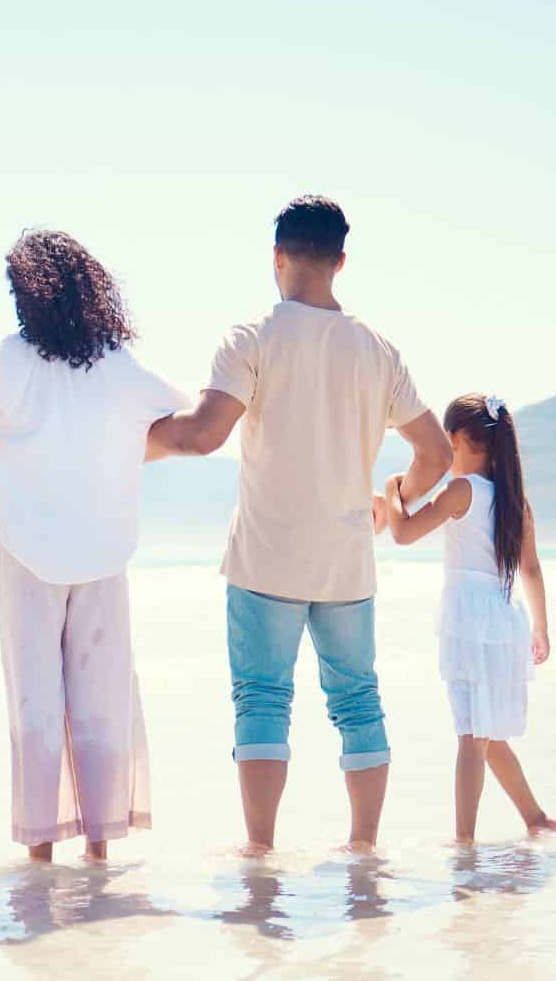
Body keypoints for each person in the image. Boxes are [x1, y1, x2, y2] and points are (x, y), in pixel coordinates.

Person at [149, 195, 451, 854]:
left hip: (267, 556)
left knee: (261, 699)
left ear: (277, 258)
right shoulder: (378, 351)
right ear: (341, 261)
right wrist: (393, 496)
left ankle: (261, 850)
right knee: (358, 701)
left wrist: (129, 441)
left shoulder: (252, 338)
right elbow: (439, 454)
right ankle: (363, 848)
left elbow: (202, 437)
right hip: (345, 557)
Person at [0, 230, 190, 861]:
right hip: (104, 552)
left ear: (22, 296)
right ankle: (100, 844)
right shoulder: (119, 365)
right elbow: (190, 427)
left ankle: (40, 850)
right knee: (104, 695)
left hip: (22, 552)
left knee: (34, 696)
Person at [376, 393, 556, 840]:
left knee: (471, 736)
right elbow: (531, 569)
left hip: (470, 618)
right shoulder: (513, 499)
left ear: (455, 439)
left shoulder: (463, 490)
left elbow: (403, 533)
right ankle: (535, 818)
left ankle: (465, 841)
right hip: (505, 616)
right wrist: (541, 628)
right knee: (488, 736)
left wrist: (391, 489)